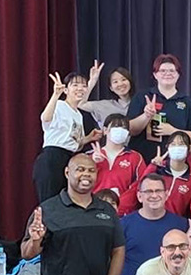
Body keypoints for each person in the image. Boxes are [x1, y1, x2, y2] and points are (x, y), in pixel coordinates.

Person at [113, 174, 188, 275]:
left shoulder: (181, 225)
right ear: (139, 196)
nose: (154, 195)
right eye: (148, 191)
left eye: (158, 191)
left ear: (167, 194)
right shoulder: (123, 225)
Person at [34, 70, 102, 204]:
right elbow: (45, 119)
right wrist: (55, 95)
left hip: (69, 158)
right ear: (66, 90)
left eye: (83, 86)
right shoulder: (59, 105)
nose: (80, 89)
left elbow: (76, 142)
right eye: (75, 85)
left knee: (65, 201)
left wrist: (88, 138)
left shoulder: (78, 115)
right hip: (52, 157)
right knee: (50, 202)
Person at [126, 53, 191, 162]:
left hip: (173, 163)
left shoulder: (187, 102)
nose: (167, 74)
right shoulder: (142, 96)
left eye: (172, 71)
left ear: (178, 74)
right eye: (163, 71)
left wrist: (172, 131)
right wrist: (146, 116)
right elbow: (130, 130)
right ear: (155, 75)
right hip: (142, 160)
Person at [129, 131, 191, 218]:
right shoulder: (156, 168)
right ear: (167, 147)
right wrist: (152, 166)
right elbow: (139, 189)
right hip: (148, 219)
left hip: (175, 224)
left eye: (181, 144)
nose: (177, 148)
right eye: (173, 144)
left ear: (189, 148)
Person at [90, 113, 146, 214]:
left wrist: (120, 206)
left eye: (124, 127)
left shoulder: (135, 157)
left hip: (123, 214)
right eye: (116, 126)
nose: (120, 130)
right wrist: (92, 164)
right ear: (105, 130)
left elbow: (140, 185)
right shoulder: (90, 156)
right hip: (92, 211)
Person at [81, 62, 134, 127]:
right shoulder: (103, 105)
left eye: (123, 79)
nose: (120, 84)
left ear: (130, 82)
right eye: (115, 81)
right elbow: (80, 104)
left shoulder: (140, 103)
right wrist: (92, 82)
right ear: (111, 88)